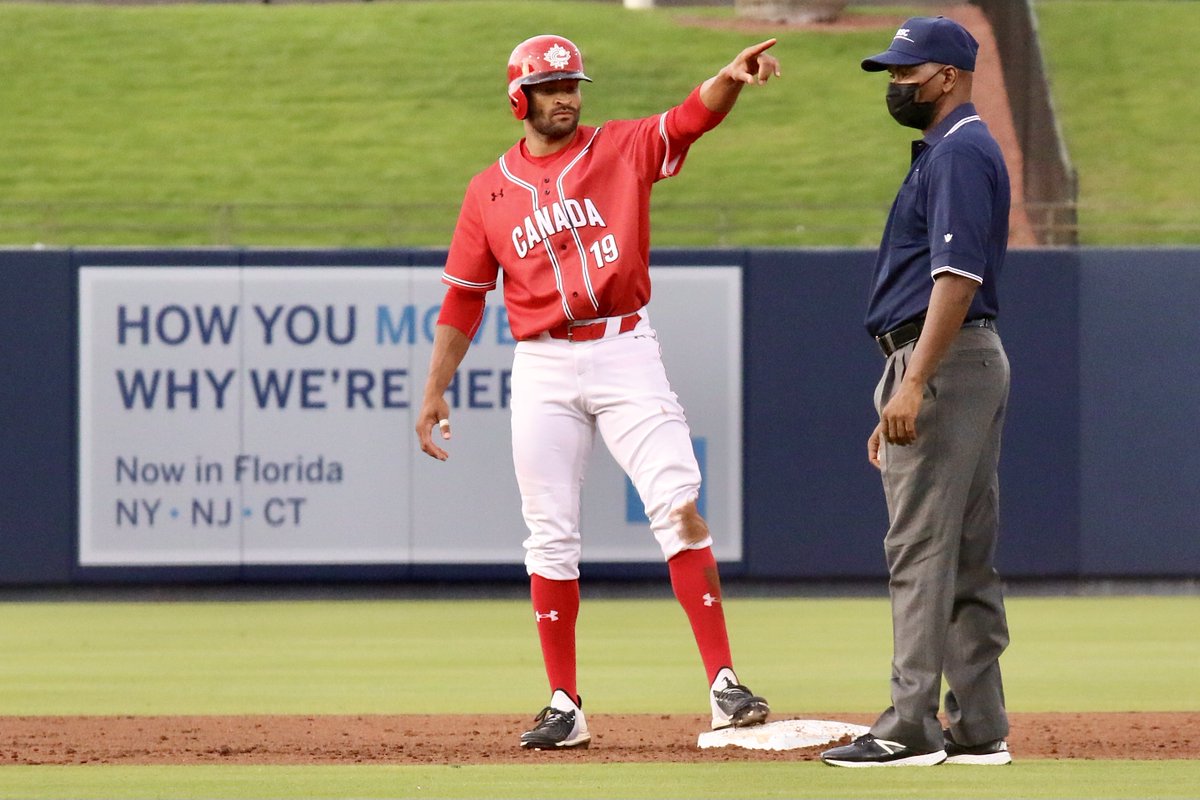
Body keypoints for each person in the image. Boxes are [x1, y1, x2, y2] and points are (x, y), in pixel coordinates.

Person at [415, 34, 780, 750]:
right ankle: (564, 703)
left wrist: (728, 80)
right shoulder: (488, 191)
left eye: (572, 84)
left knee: (677, 504)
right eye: (551, 87)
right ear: (519, 99)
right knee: (548, 531)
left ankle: (724, 685)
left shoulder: (616, 147)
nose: (567, 96)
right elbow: (464, 300)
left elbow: (685, 120)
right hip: (543, 363)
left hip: (623, 347)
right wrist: (435, 389)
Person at [820, 17, 1014, 768]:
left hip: (943, 360)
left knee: (920, 550)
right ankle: (978, 725)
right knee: (964, 552)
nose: (896, 83)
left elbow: (956, 279)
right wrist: (911, 384)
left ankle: (908, 725)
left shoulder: (960, 151)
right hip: (960, 365)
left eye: (907, 70)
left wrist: (915, 380)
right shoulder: (955, 149)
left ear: (950, 76)